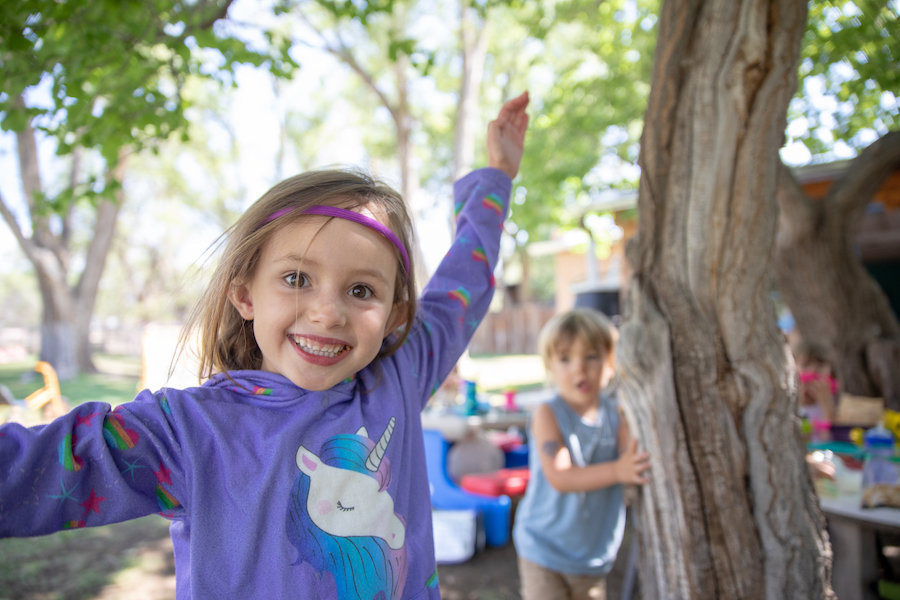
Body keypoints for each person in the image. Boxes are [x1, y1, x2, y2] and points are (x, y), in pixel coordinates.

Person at [0, 92, 530, 600]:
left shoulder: (400, 374)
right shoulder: (187, 432)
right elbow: (46, 467)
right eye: (297, 279)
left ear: (395, 315)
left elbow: (464, 282)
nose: (328, 312)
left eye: (361, 290)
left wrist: (498, 179)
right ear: (244, 292)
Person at [513, 307, 650, 600]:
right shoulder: (547, 414)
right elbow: (561, 476)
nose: (579, 368)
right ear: (550, 366)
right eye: (565, 359)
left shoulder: (618, 415)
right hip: (544, 550)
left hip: (592, 556)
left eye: (591, 356)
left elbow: (634, 456)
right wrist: (617, 471)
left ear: (611, 363)